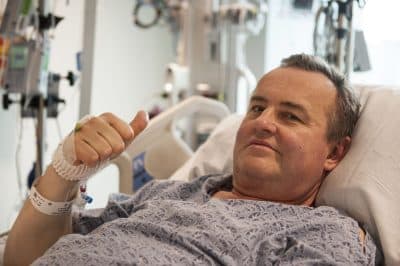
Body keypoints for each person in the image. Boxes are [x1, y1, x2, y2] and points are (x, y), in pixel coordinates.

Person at [4, 54, 381, 265]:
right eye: (256, 108)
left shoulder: (325, 233)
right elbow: (23, 259)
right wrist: (64, 171)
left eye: (290, 116)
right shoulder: (169, 193)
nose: (263, 123)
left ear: (334, 152)